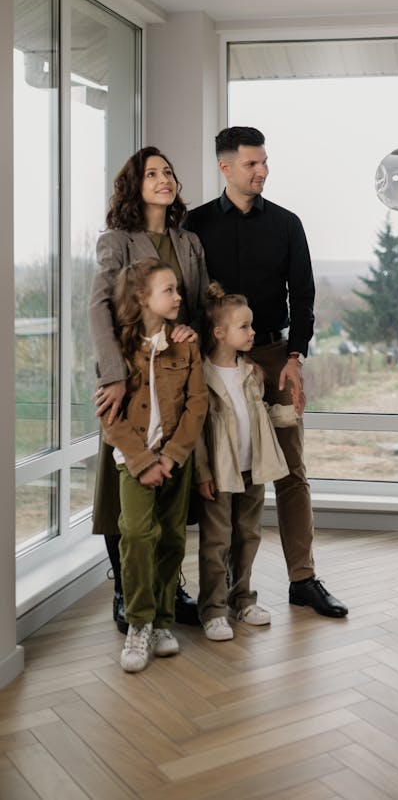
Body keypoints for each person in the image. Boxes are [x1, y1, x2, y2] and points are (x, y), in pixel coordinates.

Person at [185, 126, 348, 618]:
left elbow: (304, 294)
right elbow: (190, 296)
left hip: (275, 357)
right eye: (252, 164)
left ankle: (303, 578)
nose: (262, 171)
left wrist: (295, 357)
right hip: (213, 362)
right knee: (220, 471)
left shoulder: (286, 223)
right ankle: (230, 591)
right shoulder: (193, 226)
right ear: (226, 167)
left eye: (264, 162)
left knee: (291, 471)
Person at [89, 146, 210, 633]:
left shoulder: (189, 242)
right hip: (131, 376)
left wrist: (190, 333)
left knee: (172, 489)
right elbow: (98, 305)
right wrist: (113, 372)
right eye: (153, 173)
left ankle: (166, 589)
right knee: (122, 492)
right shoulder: (117, 240)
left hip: (177, 374)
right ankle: (124, 590)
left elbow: (196, 305)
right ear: (134, 185)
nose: (165, 179)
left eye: (169, 172)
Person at [101, 259, 208, 672]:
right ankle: (139, 622)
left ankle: (164, 621)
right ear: (143, 298)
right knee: (136, 534)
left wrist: (170, 456)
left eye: (178, 289)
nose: (179, 297)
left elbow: (197, 404)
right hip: (133, 463)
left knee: (171, 539)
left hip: (174, 460)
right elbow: (110, 416)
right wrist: (144, 462)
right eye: (169, 290)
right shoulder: (116, 350)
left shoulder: (187, 344)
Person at [195, 283, 296, 640]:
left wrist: (287, 414)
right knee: (216, 541)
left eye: (252, 326)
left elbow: (260, 416)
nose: (253, 332)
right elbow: (197, 432)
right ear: (220, 333)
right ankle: (213, 609)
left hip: (254, 469)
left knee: (249, 535)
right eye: (245, 327)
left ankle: (243, 598)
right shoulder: (202, 377)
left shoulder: (251, 373)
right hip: (221, 474)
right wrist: (202, 472)